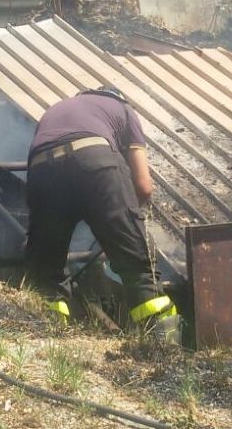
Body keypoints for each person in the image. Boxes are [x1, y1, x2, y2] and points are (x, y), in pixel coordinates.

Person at [24, 86, 177, 339]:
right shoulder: (125, 111)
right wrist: (122, 236)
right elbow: (143, 187)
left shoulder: (57, 109)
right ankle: (165, 352)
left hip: (42, 170)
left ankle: (49, 344)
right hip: (95, 161)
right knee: (139, 271)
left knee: (47, 274)